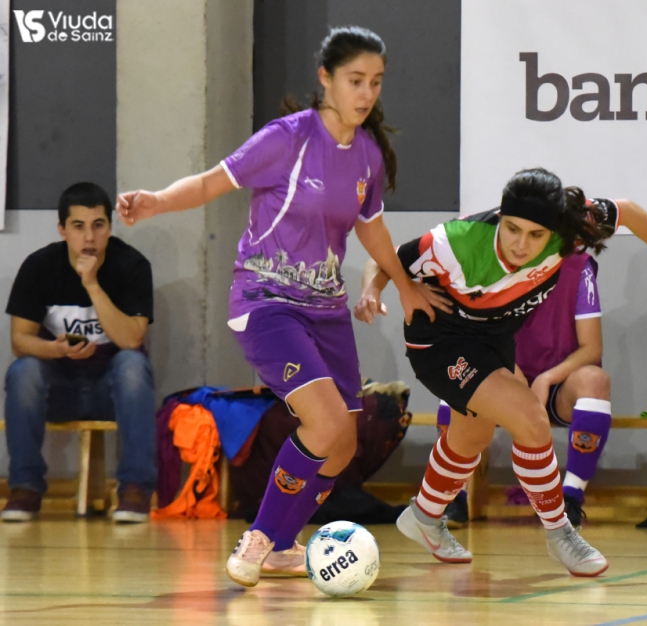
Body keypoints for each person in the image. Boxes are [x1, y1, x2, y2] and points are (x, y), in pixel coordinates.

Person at [116, 26, 435, 587]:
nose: (366, 93)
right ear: (325, 78)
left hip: (326, 311)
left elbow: (371, 227)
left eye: (376, 82)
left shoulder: (367, 154)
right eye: (355, 80)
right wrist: (156, 201)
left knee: (343, 443)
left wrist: (403, 287)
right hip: (266, 302)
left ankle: (284, 545)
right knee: (324, 422)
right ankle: (259, 539)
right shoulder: (286, 139)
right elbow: (211, 183)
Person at [356, 167, 647, 576]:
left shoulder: (570, 227)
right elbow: (383, 260)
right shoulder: (458, 241)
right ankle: (560, 533)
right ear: (501, 217)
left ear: (554, 231)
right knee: (530, 419)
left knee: (473, 436)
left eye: (536, 235)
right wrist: (384, 289)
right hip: (441, 341)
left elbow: (627, 211)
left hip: (494, 337)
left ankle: (424, 515)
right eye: (512, 229)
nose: (521, 244)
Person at [3, 182, 157, 524]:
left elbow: (132, 339)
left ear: (110, 227)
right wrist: (54, 348)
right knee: (22, 371)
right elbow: (20, 341)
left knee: (133, 364)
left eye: (98, 225)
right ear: (62, 230)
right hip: (59, 388)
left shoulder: (131, 265)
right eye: (78, 226)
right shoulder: (40, 266)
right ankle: (25, 487)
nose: (89, 237)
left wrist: (92, 284)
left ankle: (135, 487)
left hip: (110, 390)